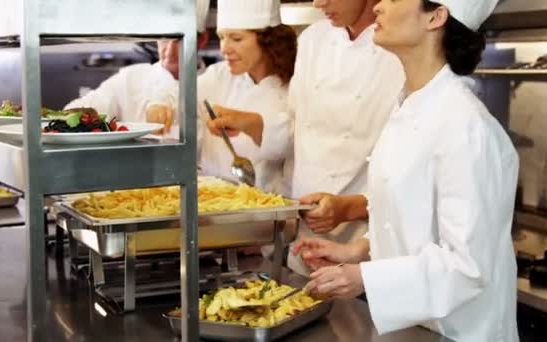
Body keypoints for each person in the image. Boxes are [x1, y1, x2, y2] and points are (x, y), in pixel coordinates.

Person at [293, 0, 519, 340]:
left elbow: (468, 268)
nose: (380, 5)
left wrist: (364, 278)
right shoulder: (410, 107)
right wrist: (358, 251)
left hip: (459, 332)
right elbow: (412, 215)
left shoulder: (465, 127)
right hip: (414, 328)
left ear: (436, 16)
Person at [206, 0, 405, 273]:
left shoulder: (400, 46)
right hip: (307, 235)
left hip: (366, 239)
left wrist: (349, 209)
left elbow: (409, 167)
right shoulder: (313, 39)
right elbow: (297, 127)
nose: (318, 2)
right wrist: (253, 124)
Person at [147, 0, 298, 195]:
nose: (224, 48)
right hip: (207, 198)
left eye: (236, 38)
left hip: (261, 208)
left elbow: (292, 145)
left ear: (268, 41)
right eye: (221, 37)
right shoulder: (219, 75)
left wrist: (249, 123)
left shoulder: (293, 88)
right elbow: (177, 95)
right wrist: (160, 106)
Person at [63, 0, 210, 122]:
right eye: (164, 38)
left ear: (202, 40)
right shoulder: (130, 80)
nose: (170, 51)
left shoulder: (217, 83)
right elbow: (72, 114)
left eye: (179, 41)